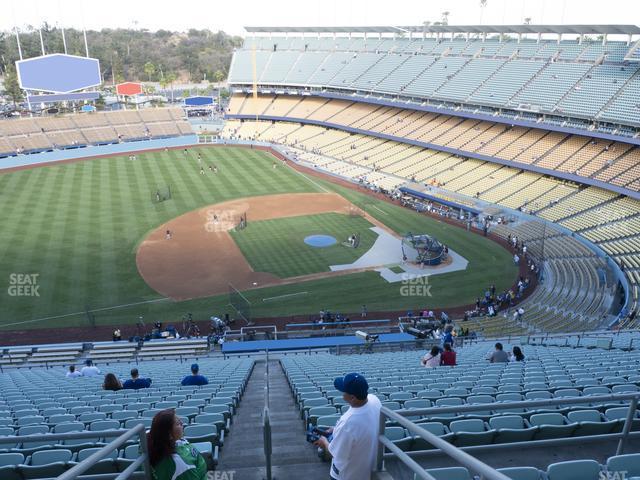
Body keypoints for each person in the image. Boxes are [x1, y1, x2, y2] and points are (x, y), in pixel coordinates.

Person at [314, 373, 381, 480]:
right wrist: (336, 430)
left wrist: (324, 442)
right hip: (366, 469)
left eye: (344, 390)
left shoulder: (347, 423)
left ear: (353, 397)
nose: (342, 393)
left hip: (346, 475)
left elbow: (334, 453)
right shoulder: (374, 400)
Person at [147, 409, 207, 480]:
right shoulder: (182, 466)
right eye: (178, 423)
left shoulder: (152, 441)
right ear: (169, 434)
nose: (182, 423)